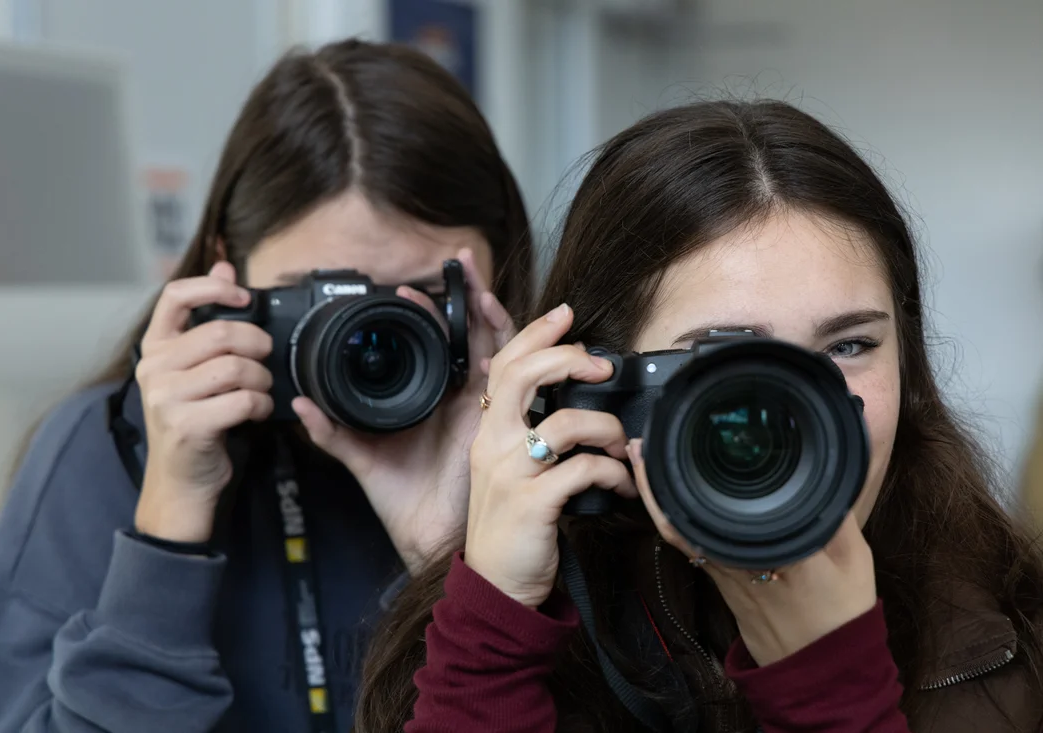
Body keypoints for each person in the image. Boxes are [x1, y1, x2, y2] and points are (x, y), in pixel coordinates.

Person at [354, 100, 1043, 733]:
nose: (790, 416)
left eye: (848, 346)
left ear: (909, 363)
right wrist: (494, 630)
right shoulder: (521, 629)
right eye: (729, 361)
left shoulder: (1017, 640)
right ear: (604, 383)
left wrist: (831, 684)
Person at [0, 39, 532, 733]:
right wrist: (170, 521)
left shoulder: (546, 455)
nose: (369, 339)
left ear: (498, 271)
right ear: (228, 272)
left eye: (426, 293)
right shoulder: (107, 448)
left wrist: (459, 557)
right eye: (320, 298)